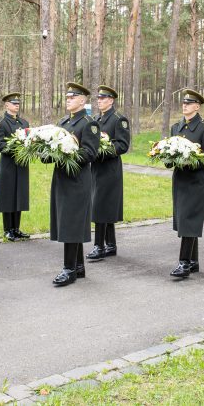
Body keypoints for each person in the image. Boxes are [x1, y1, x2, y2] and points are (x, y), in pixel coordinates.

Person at [46, 82, 100, 286]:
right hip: (62, 179)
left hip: (77, 180)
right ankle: (78, 266)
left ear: (82, 100)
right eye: (67, 97)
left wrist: (67, 153)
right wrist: (46, 153)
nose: (68, 99)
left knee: (71, 222)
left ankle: (69, 269)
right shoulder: (64, 122)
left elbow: (90, 153)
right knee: (67, 221)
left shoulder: (89, 124)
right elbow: (54, 146)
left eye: (72, 97)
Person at [169, 89, 204, 278]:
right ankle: (193, 261)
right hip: (180, 180)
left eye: (189, 103)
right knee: (183, 218)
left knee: (189, 219)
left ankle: (184, 263)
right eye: (183, 103)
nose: (185, 105)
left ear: (197, 107)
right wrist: (166, 157)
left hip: (196, 181)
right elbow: (171, 153)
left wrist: (193, 159)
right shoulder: (176, 127)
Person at [88, 85, 131, 260]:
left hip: (110, 169)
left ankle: (99, 246)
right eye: (98, 98)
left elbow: (122, 145)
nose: (99, 101)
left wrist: (104, 148)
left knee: (100, 206)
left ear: (111, 100)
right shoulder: (97, 119)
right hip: (97, 169)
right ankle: (111, 245)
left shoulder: (119, 119)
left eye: (103, 98)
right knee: (102, 206)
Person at [0, 92, 31, 242]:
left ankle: (16, 228)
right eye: (13, 103)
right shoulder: (1, 122)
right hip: (9, 164)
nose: (16, 105)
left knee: (20, 195)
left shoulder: (24, 123)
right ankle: (8, 229)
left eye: (18, 103)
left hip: (22, 164)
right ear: (6, 105)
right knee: (8, 195)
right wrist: (16, 148)